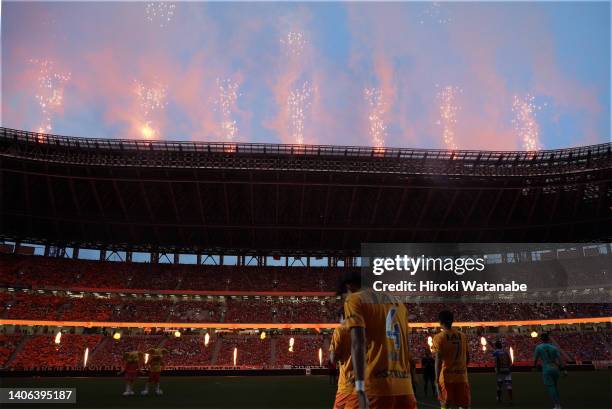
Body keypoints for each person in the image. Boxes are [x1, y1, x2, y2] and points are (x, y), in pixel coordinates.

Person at [340, 271, 417, 409]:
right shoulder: (399, 303)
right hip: (405, 389)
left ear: (350, 286)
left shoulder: (355, 299)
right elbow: (406, 347)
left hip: (375, 387)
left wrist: (359, 387)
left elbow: (358, 343)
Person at [432, 310, 470, 409]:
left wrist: (436, 380)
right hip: (461, 377)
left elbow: (438, 360)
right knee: (464, 405)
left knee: (445, 405)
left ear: (440, 322)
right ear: (452, 320)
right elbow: (467, 357)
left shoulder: (439, 337)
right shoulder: (462, 336)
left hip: (446, 377)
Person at [329, 315, 357, 409]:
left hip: (347, 385)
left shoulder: (340, 330)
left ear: (342, 317)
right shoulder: (365, 328)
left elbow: (333, 358)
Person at [533, 333, 566, 409]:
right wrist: (564, 369)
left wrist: (534, 367)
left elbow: (535, 359)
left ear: (541, 339)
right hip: (555, 368)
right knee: (555, 386)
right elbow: (560, 359)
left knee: (551, 387)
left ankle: (557, 405)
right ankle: (558, 403)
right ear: (548, 339)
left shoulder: (539, 347)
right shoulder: (554, 347)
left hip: (547, 368)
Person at [492, 340, 513, 404]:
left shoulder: (495, 352)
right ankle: (510, 399)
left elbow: (496, 360)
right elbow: (509, 360)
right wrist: (509, 368)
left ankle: (499, 398)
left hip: (500, 370)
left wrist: (496, 369)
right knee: (509, 385)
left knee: (499, 385)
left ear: (496, 346)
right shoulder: (505, 351)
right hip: (507, 370)